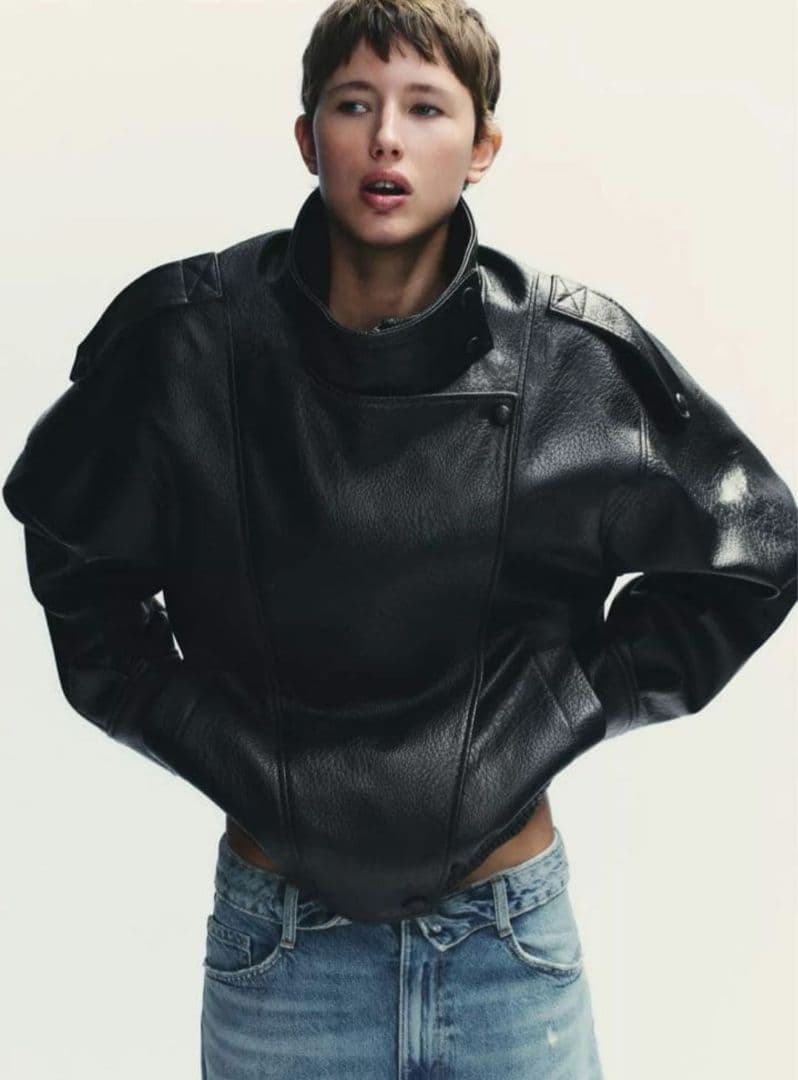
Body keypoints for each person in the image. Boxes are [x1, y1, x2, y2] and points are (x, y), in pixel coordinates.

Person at [3, 1, 796, 1077]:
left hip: (507, 942)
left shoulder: (569, 359)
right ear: (306, 136)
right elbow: (77, 559)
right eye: (354, 105)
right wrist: (222, 746)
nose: (386, 138)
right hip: (282, 950)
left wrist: (557, 713)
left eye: (426, 108)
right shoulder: (189, 342)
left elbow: (754, 546)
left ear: (482, 146)